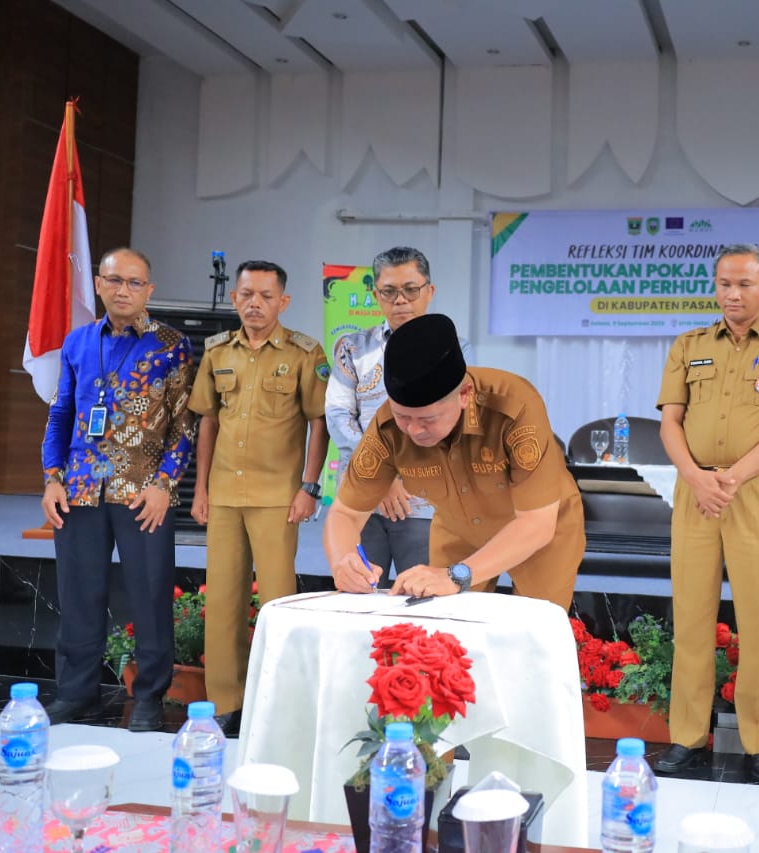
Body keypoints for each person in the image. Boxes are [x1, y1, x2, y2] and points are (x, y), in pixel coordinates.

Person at [651, 244, 759, 786]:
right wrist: (697, 477)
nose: (732, 294)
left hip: (756, 491)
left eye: (745, 284)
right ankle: (687, 738)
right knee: (691, 619)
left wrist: (732, 478)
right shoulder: (689, 344)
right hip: (696, 491)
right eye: (724, 283)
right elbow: (670, 422)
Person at [324, 313, 582, 612]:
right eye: (403, 416)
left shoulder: (514, 406)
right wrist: (343, 563)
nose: (413, 430)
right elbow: (345, 512)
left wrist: (457, 576)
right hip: (458, 528)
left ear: (464, 395)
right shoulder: (387, 429)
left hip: (537, 531)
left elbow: (537, 523)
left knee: (536, 625)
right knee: (446, 626)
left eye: (428, 419)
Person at [40, 247, 195, 732]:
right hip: (80, 490)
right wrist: (51, 477)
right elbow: (61, 413)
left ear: (149, 289)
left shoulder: (171, 345)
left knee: (150, 595)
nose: (123, 290)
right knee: (79, 596)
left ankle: (148, 696)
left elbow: (184, 425)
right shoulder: (78, 342)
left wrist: (165, 484)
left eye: (134, 282)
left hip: (143, 494)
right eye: (114, 280)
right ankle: (76, 694)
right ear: (99, 285)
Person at [188, 260, 329, 735]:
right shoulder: (216, 351)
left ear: (282, 302)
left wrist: (309, 487)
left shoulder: (304, 352)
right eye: (247, 294)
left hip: (278, 497)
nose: (255, 304)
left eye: (266, 296)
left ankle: (276, 701)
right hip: (225, 494)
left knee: (276, 601)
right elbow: (208, 421)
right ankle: (225, 702)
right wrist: (201, 489)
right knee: (223, 600)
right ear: (234, 298)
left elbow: (319, 422)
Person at [325, 247, 471, 586]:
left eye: (411, 289)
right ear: (376, 295)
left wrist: (400, 478)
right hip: (359, 501)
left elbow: (452, 423)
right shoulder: (352, 348)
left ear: (429, 291)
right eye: (389, 291)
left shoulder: (454, 349)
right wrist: (381, 478)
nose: (400, 300)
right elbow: (338, 416)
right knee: (357, 594)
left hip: (422, 502)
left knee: (423, 598)